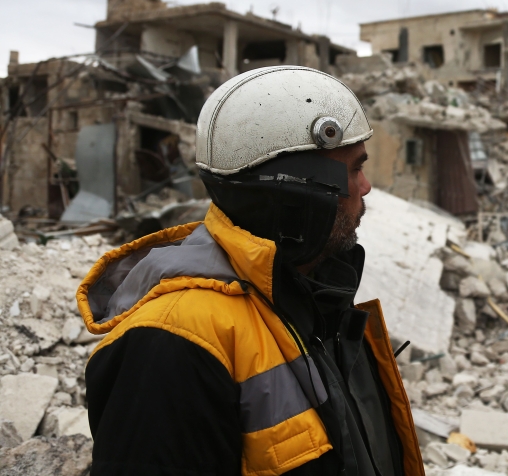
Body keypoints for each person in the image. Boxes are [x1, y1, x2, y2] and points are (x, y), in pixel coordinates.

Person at [77, 66, 424, 476]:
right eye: (352, 169)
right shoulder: (170, 346)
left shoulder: (311, 296)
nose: (365, 187)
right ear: (298, 195)